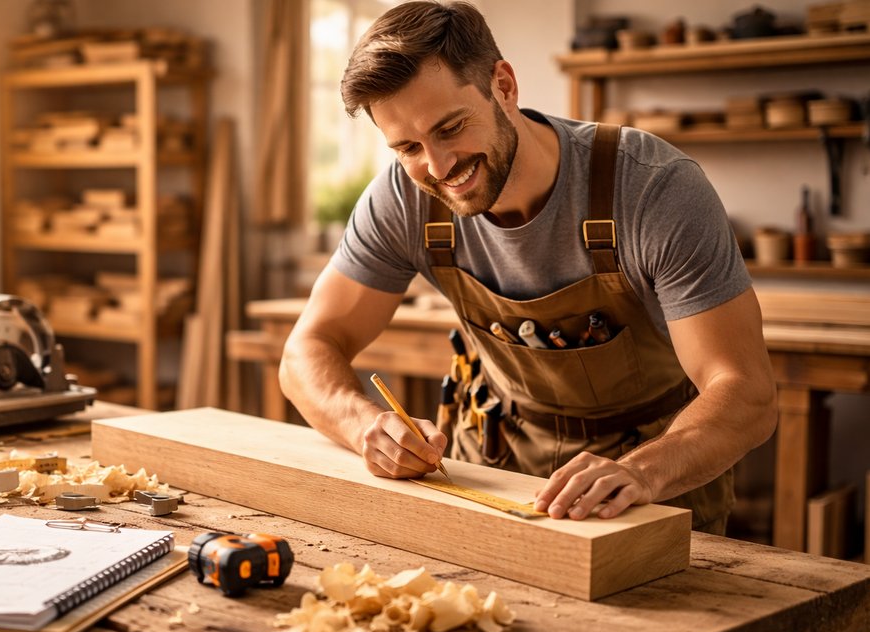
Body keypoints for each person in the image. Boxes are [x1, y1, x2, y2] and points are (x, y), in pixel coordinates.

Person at [279, 0, 777, 534]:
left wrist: (642, 473)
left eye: (451, 128)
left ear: (504, 86)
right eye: (407, 147)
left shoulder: (652, 187)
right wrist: (363, 427)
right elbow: (305, 350)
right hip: (492, 472)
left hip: (654, 482)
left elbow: (746, 391)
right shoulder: (405, 199)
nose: (438, 167)